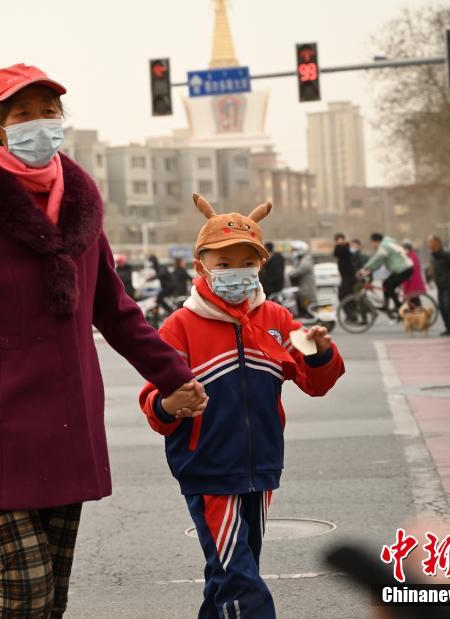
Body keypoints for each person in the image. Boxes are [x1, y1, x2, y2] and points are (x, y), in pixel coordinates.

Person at [0, 63, 207, 618]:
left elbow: (116, 312)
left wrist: (175, 373)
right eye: (22, 113)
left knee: (51, 591)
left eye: (48, 112)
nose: (38, 123)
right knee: (24, 583)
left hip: (69, 420)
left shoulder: (83, 211)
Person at [139, 194, 345, 619]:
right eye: (224, 263)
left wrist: (322, 353)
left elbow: (315, 383)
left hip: (264, 467)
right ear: (201, 266)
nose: (236, 273)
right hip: (208, 470)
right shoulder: (179, 326)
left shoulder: (277, 318)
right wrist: (168, 403)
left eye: (246, 263)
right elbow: (153, 402)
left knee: (228, 575)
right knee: (240, 582)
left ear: (260, 266)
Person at [359, 233, 414, 316]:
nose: (372, 245)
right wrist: (366, 272)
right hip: (402, 269)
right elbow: (377, 264)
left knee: (389, 286)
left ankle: (398, 306)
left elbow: (376, 260)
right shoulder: (388, 243)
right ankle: (386, 305)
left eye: (372, 243)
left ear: (376, 241)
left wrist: (362, 271)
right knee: (385, 283)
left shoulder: (384, 247)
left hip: (404, 270)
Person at [427, 235, 450, 336]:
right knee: (442, 306)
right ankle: (449, 328)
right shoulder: (433, 255)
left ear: (436, 243)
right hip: (440, 284)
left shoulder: (447, 254)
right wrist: (429, 278)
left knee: (448, 305)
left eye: (430, 242)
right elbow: (432, 268)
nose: (428, 245)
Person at [288, 240, 316, 316]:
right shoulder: (300, 260)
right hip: (302, 287)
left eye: (294, 250)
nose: (292, 252)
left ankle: (306, 315)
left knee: (305, 305)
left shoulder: (306, 260)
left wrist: (288, 274)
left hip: (306, 289)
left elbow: (298, 271)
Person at [400, 239, 427, 308]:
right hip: (414, 284)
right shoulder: (412, 255)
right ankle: (419, 315)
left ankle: (420, 316)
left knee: (411, 303)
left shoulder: (410, 257)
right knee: (414, 303)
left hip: (412, 285)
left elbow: (407, 272)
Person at [333, 233, 357, 302]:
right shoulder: (338, 248)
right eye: (338, 240)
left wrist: (347, 245)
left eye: (341, 239)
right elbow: (336, 253)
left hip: (349, 272)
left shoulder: (347, 247)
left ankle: (350, 302)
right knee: (345, 289)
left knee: (347, 289)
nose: (340, 241)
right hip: (344, 273)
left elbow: (351, 252)